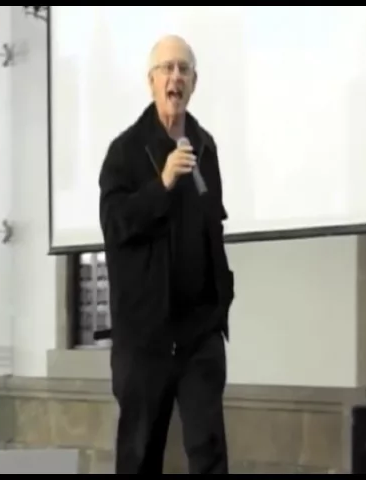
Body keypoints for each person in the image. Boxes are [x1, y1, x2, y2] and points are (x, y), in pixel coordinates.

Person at [98, 34, 235, 474]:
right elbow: (115, 225)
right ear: (151, 81)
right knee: (140, 456)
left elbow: (213, 225)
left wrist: (221, 301)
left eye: (184, 70)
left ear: (194, 83)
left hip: (199, 334)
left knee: (209, 453)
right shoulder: (124, 152)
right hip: (145, 339)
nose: (176, 77)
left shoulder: (205, 147)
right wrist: (162, 185)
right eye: (167, 69)